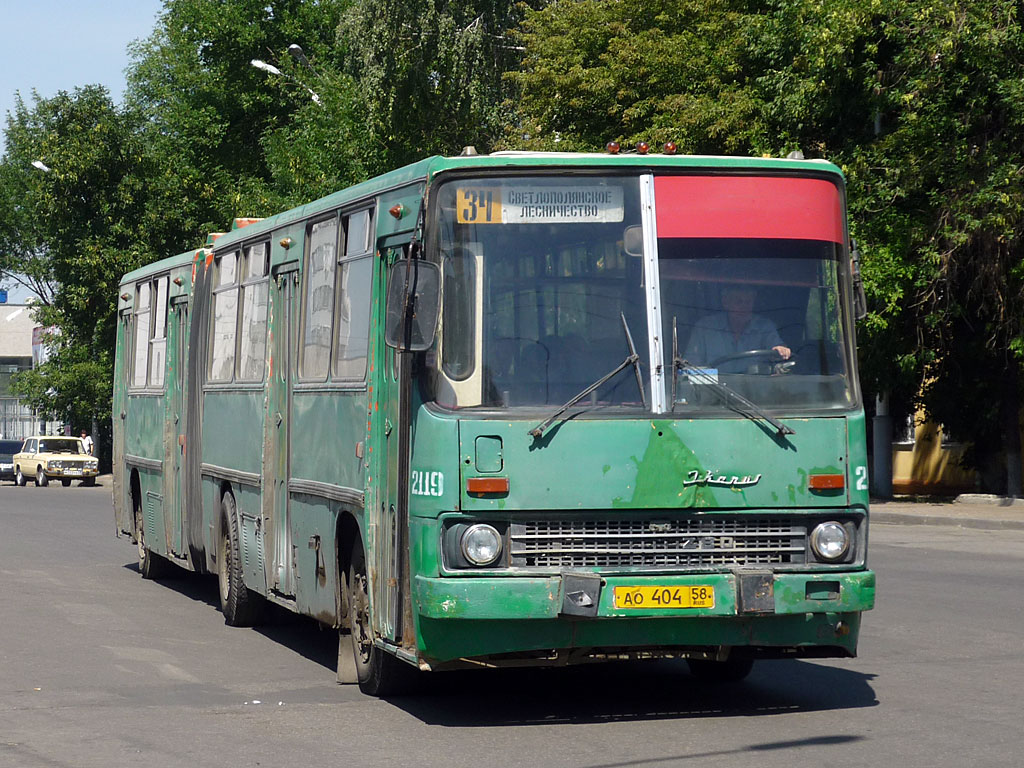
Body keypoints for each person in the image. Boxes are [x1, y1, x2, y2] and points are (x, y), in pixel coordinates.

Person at [684, 285, 791, 374]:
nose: (744, 307)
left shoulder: (765, 327)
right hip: (712, 394)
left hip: (757, 394)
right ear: (726, 302)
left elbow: (778, 352)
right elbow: (691, 368)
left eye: (748, 302)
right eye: (738, 302)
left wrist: (780, 351)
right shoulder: (705, 328)